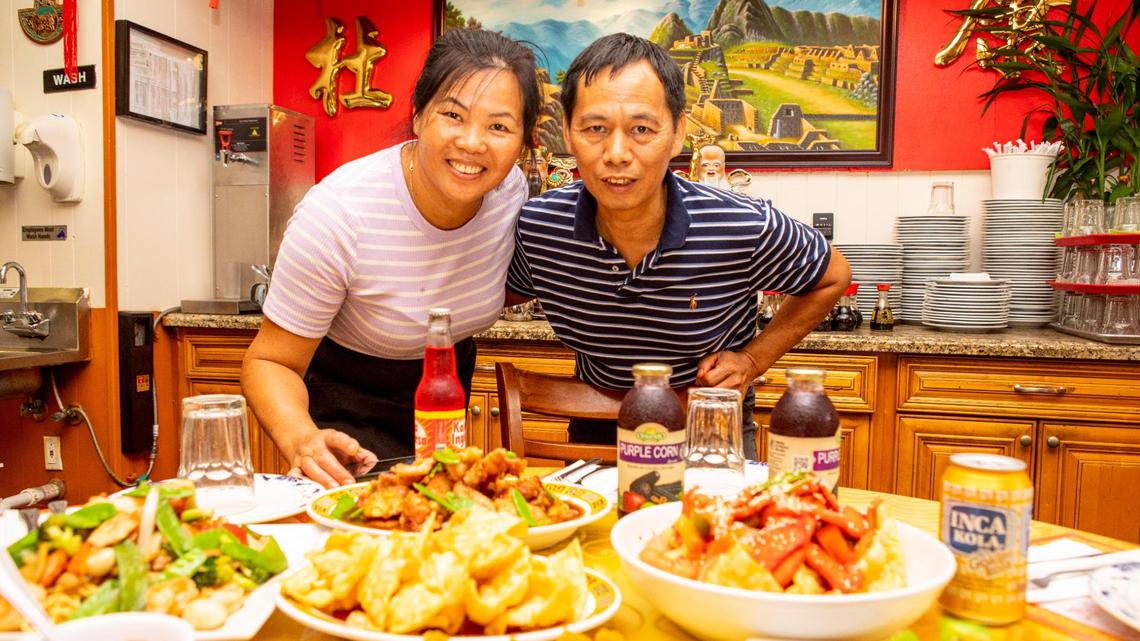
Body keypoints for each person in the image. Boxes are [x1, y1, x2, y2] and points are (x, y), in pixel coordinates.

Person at [505, 33, 851, 458]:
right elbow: (498, 293)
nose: (616, 153)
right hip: (597, 423)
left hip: (707, 426)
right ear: (568, 132)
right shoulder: (541, 226)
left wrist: (752, 361)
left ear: (677, 134)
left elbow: (833, 276)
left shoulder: (740, 223)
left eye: (641, 129)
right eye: (595, 128)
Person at [241, 29, 541, 488]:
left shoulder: (510, 193)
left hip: (444, 386)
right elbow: (270, 362)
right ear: (419, 116)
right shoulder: (340, 214)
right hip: (349, 401)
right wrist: (303, 439)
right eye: (453, 115)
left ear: (522, 140)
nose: (473, 143)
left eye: (499, 126)